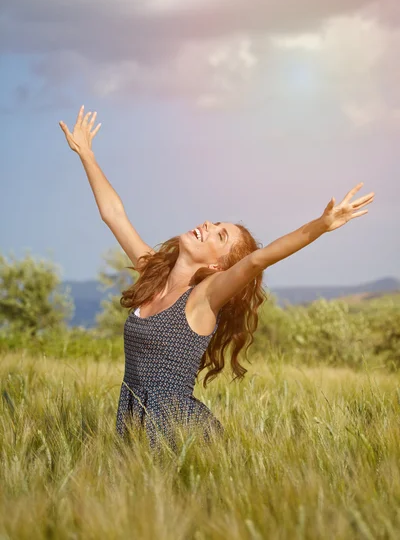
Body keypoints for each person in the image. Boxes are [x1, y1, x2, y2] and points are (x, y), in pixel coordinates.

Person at [59, 106, 375, 451]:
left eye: (221, 236)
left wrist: (321, 225)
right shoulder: (153, 273)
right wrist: (87, 154)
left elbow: (257, 260)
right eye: (217, 224)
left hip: (178, 432)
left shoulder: (204, 297)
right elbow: (114, 215)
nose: (209, 226)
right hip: (133, 422)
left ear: (217, 267)